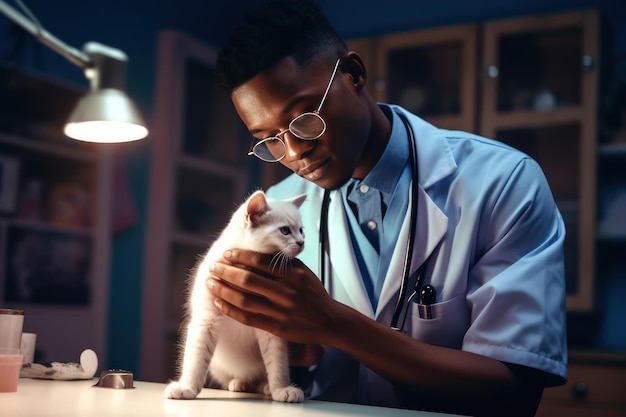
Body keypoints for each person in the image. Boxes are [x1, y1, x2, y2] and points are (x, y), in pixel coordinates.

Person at [207, 1, 568, 415]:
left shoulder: (503, 182)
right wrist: (298, 353)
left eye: (304, 117)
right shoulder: (283, 207)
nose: (293, 152)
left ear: (354, 74)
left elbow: (515, 391)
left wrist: (334, 324)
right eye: (269, 138)